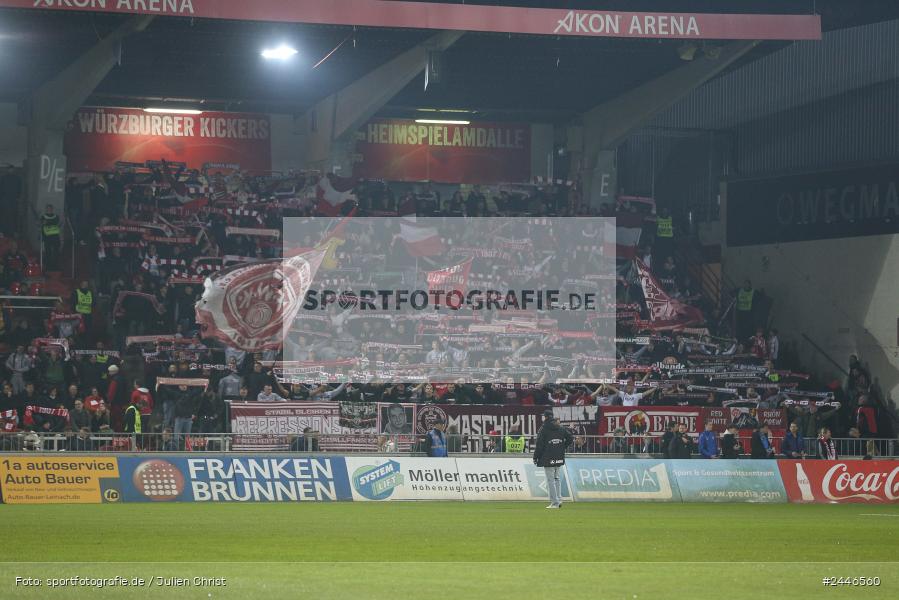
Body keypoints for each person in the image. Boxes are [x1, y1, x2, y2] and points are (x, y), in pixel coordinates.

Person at [533, 409, 572, 509]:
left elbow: (539, 445)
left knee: (550, 480)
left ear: (545, 417)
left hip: (548, 457)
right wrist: (562, 446)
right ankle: (559, 499)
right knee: (556, 478)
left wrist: (536, 457)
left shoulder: (543, 428)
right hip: (559, 456)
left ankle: (554, 503)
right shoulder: (560, 427)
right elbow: (570, 438)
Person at [40, 203, 62, 271]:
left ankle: (55, 266)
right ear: (46, 209)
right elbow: (41, 225)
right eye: (48, 208)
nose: (49, 210)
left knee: (56, 251)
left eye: (50, 208)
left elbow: (58, 225)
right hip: (47, 237)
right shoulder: (43, 217)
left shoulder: (56, 217)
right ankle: (48, 266)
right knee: (48, 252)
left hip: (55, 237)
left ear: (52, 209)